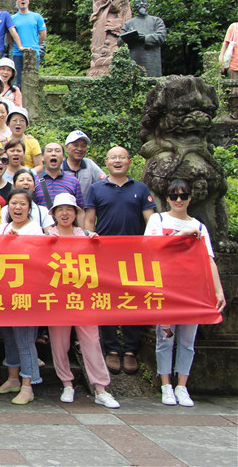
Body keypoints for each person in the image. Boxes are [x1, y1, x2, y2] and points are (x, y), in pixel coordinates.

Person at [146, 179, 226, 406]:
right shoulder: (158, 220)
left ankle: (182, 386)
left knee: (188, 341)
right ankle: (166, 385)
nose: (178, 200)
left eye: (183, 196)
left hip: (192, 290)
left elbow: (208, 259)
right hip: (165, 288)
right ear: (167, 198)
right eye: (174, 196)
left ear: (190, 198)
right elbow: (150, 248)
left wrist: (218, 290)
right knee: (165, 337)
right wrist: (182, 235)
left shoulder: (200, 226)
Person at [84, 146, 156, 376]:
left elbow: (151, 222)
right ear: (106, 162)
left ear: (129, 162)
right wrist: (89, 239)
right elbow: (89, 220)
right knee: (106, 301)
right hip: (104, 255)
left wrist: (155, 242)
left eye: (122, 157)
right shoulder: (96, 189)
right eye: (113, 157)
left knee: (132, 300)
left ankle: (131, 350)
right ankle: (112, 349)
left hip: (134, 256)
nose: (117, 161)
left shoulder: (140, 188)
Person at [45, 193, 121, 408]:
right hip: (57, 299)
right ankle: (67, 384)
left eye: (69, 209)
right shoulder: (47, 236)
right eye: (60, 209)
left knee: (91, 342)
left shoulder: (86, 235)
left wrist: (97, 243)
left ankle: (101, 388)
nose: (65, 213)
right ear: (54, 214)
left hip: (83, 299)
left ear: (75, 213)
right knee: (59, 343)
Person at [0, 188, 44, 405]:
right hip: (4, 290)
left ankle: (28, 384)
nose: (18, 207)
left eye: (23, 204)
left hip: (26, 292)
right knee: (9, 337)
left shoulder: (35, 229)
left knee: (25, 339)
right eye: (14, 203)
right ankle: (13, 378)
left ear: (29, 208)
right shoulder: (2, 227)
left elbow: (39, 259)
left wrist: (19, 242)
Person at [118, 0, 167, 77]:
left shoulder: (156, 21)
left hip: (152, 61)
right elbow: (119, 42)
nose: (141, 3)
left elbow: (161, 37)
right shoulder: (128, 24)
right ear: (134, 7)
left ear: (148, 5)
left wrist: (144, 38)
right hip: (135, 59)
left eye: (143, 1)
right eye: (138, 2)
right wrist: (128, 35)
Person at [32, 142, 84, 209]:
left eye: (57, 151)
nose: (53, 154)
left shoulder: (73, 181)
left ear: (63, 157)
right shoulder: (34, 180)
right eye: (49, 151)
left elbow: (80, 208)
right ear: (42, 157)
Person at [10, 0, 47, 87]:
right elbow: (9, 36)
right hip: (18, 53)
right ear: (16, 2)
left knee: (32, 80)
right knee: (18, 81)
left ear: (28, 1)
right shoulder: (12, 18)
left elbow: (43, 34)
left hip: (33, 52)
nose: (22, 0)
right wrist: (16, 46)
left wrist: (35, 44)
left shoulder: (37, 17)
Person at [62, 130, 106, 199]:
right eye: (76, 145)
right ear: (66, 147)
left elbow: (105, 183)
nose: (80, 149)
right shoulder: (60, 167)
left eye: (83, 146)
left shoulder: (89, 164)